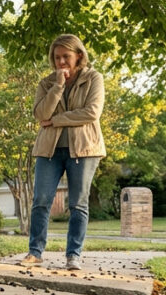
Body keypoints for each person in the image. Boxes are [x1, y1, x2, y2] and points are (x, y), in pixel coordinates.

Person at [20, 34, 106, 270]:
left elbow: (91, 113)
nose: (61, 62)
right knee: (41, 200)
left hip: (84, 149)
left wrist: (57, 120)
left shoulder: (93, 78)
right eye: (57, 58)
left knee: (78, 203)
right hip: (50, 150)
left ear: (79, 55)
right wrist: (58, 86)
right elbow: (40, 115)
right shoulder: (46, 83)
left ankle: (73, 255)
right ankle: (35, 253)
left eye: (66, 57)